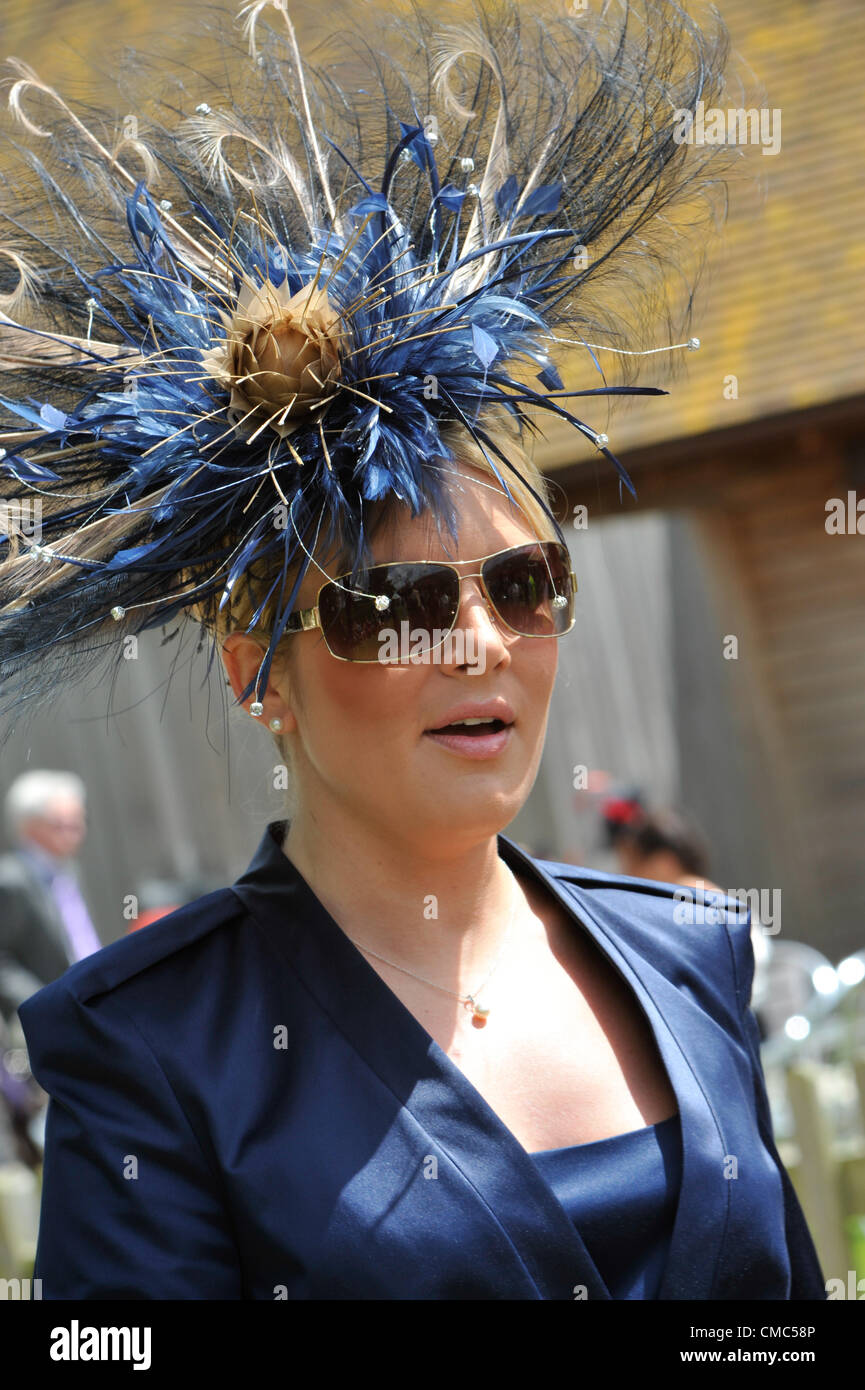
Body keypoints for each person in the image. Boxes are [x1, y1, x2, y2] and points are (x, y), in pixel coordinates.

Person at [0, 0, 824, 1299]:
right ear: (254, 667)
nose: (482, 640)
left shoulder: (694, 952)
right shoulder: (153, 1044)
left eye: (522, 581)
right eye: (392, 606)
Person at [0, 771, 101, 1027]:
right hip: (52, 1020)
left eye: (78, 821)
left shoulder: (67, 872)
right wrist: (44, 1004)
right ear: (29, 826)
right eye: (61, 824)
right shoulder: (11, 881)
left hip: (90, 1007)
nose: (75, 832)